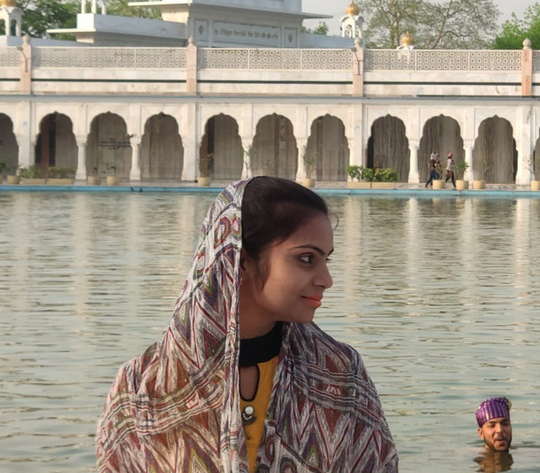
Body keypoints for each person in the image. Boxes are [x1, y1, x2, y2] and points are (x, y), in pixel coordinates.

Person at [96, 177, 398, 472]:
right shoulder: (143, 386)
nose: (326, 280)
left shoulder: (340, 374)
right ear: (241, 261)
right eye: (306, 259)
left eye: (325, 261)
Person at [474, 397, 514, 472]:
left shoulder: (529, 453)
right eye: (492, 426)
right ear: (481, 433)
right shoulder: (468, 456)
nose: (500, 430)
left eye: (505, 424)